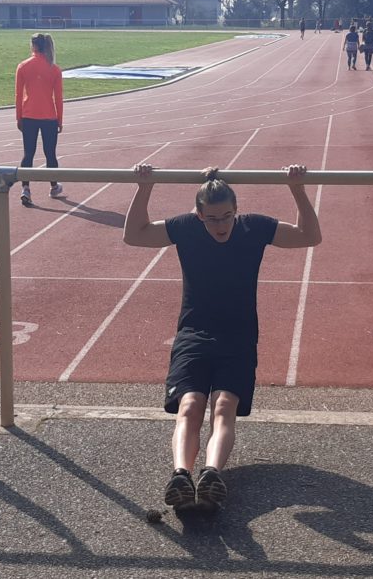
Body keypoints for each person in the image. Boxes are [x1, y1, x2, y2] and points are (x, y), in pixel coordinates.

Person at [123, 164, 321, 511]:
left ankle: (212, 473)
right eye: (212, 219)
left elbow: (309, 236)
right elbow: (135, 234)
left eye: (227, 216)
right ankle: (181, 474)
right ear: (198, 215)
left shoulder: (253, 227)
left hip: (238, 336)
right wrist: (146, 186)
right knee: (189, 406)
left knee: (224, 407)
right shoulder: (186, 228)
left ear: (236, 211)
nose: (221, 225)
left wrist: (298, 188)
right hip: (194, 333)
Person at [15, 32, 65, 206]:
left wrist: (18, 117)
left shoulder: (23, 66)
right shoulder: (54, 69)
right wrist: (60, 120)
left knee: (28, 154)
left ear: (33, 46)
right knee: (50, 153)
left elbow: (18, 94)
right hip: (49, 117)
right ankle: (53, 186)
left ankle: (26, 188)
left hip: (28, 116)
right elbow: (58, 97)